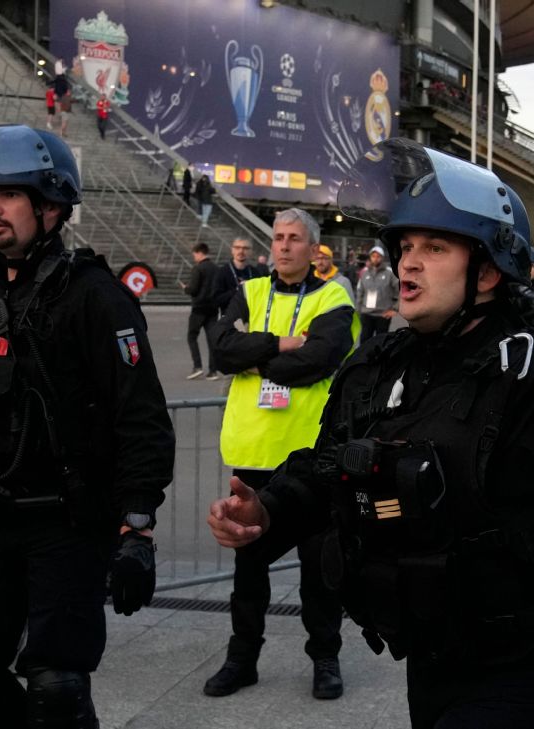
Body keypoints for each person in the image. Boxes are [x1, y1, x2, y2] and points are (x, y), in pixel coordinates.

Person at [207, 139, 534, 729]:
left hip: (527, 661)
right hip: (430, 650)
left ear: (488, 269)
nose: (408, 263)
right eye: (405, 246)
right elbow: (330, 468)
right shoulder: (377, 367)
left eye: (434, 247)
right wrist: (268, 510)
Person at [0, 124, 174, 728]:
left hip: (67, 522)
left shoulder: (96, 297)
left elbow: (140, 414)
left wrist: (137, 527)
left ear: (50, 206)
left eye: (7, 194)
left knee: (56, 688)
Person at [206, 208, 358, 701]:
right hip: (253, 456)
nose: (284, 246)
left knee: (319, 571)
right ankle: (241, 659)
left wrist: (257, 356)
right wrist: (280, 344)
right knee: (248, 572)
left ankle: (325, 659)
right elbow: (222, 349)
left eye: (295, 239)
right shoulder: (249, 290)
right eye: (278, 237)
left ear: (315, 250)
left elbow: (319, 360)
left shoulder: (334, 296)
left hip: (310, 457)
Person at [182, 242, 221, 380]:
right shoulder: (217, 269)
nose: (194, 258)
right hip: (213, 308)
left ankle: (197, 366)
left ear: (199, 253)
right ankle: (213, 371)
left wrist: (185, 288)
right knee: (211, 340)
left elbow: (193, 289)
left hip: (199, 308)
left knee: (192, 336)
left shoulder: (198, 269)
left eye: (194, 255)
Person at [213, 237, 269, 317]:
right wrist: (238, 290)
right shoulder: (222, 272)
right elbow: (216, 300)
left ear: (251, 252)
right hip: (229, 320)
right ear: (232, 250)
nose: (241, 251)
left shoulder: (255, 273)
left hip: (252, 319)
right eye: (237, 247)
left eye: (245, 248)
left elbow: (263, 298)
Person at [354, 244, 399, 343]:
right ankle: (364, 359)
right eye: (373, 256)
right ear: (370, 257)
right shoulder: (364, 273)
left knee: (380, 342)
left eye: (378, 256)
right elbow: (360, 291)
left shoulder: (389, 273)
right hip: (366, 314)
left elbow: (400, 291)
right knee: (365, 341)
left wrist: (395, 309)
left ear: (382, 258)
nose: (375, 259)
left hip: (383, 315)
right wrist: (358, 310)